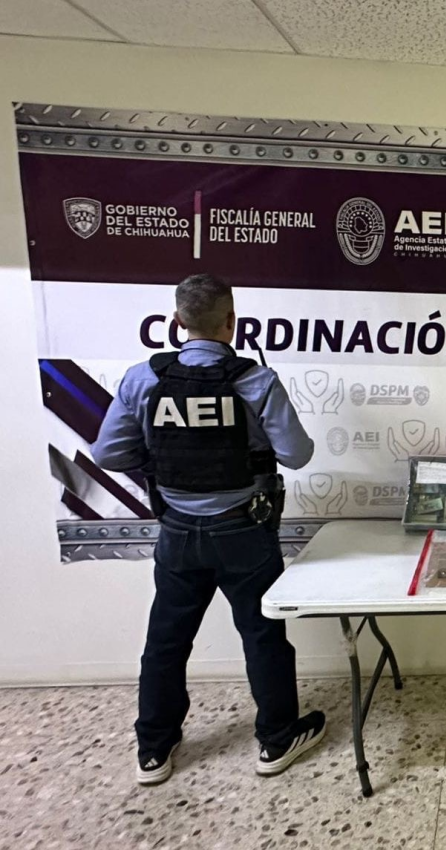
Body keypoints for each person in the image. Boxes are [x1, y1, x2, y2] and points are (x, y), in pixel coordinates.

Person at [92, 274, 325, 785]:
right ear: (231, 322)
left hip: (177, 533)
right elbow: (297, 455)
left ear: (177, 322)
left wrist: (157, 460)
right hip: (245, 531)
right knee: (263, 635)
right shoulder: (256, 381)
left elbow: (106, 453)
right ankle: (277, 739)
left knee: (166, 641)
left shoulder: (142, 379)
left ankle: (153, 750)